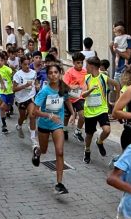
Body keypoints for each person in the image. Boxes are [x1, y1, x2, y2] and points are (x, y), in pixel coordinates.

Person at [33, 63, 74, 194]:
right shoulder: (44, 91)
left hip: (58, 125)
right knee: (44, 150)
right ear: (48, 75)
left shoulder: (63, 87)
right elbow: (35, 112)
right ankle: (37, 152)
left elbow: (66, 99)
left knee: (60, 151)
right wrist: (49, 115)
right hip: (44, 124)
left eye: (55, 72)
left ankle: (59, 184)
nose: (53, 75)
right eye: (50, 73)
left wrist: (73, 113)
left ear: (59, 73)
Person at [82, 56, 119, 163]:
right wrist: (90, 90)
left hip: (102, 109)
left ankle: (99, 141)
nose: (85, 67)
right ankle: (87, 150)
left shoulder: (103, 77)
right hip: (89, 111)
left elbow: (117, 85)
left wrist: (116, 102)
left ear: (92, 66)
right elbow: (83, 94)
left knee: (107, 130)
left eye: (87, 65)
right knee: (89, 135)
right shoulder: (86, 78)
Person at [13, 56, 38, 147]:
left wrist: (37, 85)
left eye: (28, 64)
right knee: (22, 117)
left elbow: (36, 82)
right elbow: (14, 89)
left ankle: (33, 138)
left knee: (32, 115)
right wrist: (24, 86)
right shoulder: (18, 74)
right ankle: (19, 126)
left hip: (30, 97)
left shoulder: (33, 73)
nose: (27, 66)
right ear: (21, 64)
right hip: (21, 98)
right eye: (25, 64)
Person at [63, 52, 87, 142]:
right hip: (70, 98)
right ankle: (64, 129)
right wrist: (73, 86)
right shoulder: (69, 72)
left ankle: (78, 131)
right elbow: (65, 85)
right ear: (73, 63)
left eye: (81, 62)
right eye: (78, 63)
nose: (80, 65)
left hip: (80, 98)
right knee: (66, 116)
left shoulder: (85, 72)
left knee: (83, 115)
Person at [0, 53, 14, 134]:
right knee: (2, 107)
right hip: (0, 91)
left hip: (9, 91)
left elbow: (13, 77)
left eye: (2, 60)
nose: (0, 62)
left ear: (4, 61)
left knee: (8, 107)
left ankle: (9, 110)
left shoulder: (8, 69)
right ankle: (4, 125)